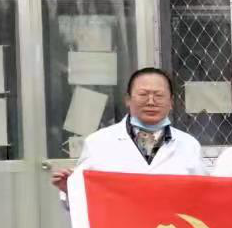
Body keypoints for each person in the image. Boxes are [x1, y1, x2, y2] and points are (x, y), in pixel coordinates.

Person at [52, 67, 205, 196]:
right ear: (128, 99)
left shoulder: (189, 145)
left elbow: (201, 196)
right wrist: (69, 190)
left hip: (170, 223)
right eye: (143, 94)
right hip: (118, 223)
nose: (151, 102)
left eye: (159, 95)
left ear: (171, 102)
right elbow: (84, 200)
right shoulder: (98, 142)